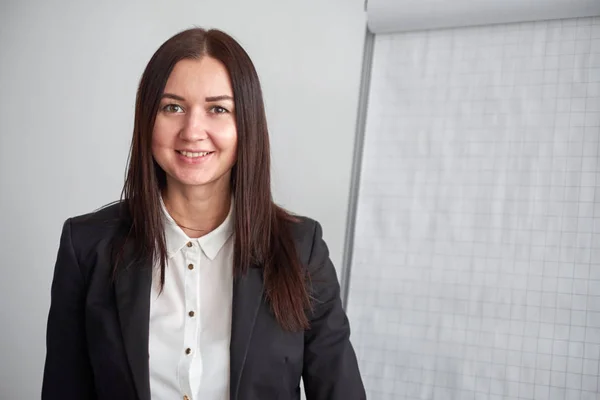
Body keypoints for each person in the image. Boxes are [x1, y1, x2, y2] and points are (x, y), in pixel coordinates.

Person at [41, 27, 366, 400]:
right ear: (147, 120)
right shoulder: (86, 246)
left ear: (247, 125)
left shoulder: (301, 249)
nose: (193, 131)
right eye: (173, 107)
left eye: (218, 109)